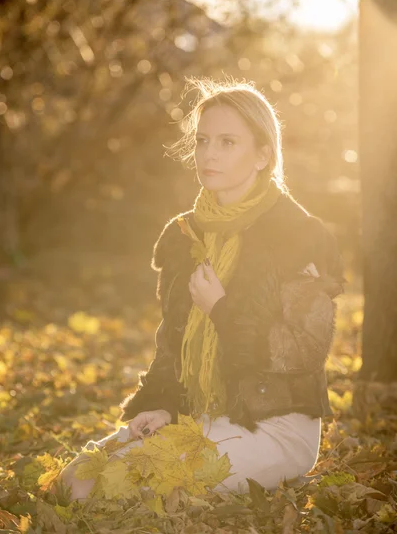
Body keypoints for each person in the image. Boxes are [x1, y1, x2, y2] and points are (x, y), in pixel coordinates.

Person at [57, 76, 345, 502]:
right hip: (202, 416)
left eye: (228, 142)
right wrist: (162, 406)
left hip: (275, 424)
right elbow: (171, 343)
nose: (209, 154)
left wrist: (222, 311)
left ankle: (271, 474)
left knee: (114, 489)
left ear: (263, 155)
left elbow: (304, 351)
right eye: (203, 141)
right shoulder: (184, 235)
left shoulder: (298, 234)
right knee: (76, 480)